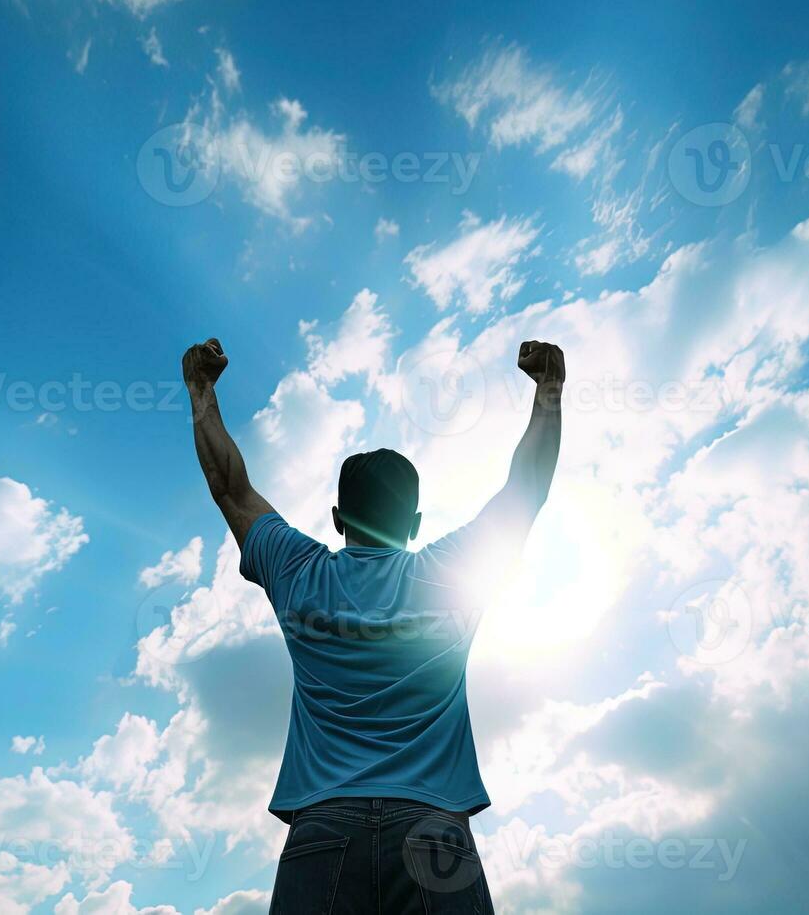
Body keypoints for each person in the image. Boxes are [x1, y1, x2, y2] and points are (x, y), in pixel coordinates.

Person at [181, 336, 565, 914]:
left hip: (323, 831)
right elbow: (526, 488)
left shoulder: (297, 569)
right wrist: (549, 391)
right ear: (414, 522)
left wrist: (201, 390)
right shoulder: (453, 573)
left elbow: (230, 487)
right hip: (434, 832)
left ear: (337, 520)